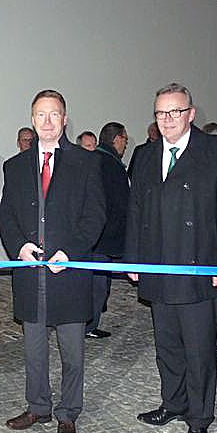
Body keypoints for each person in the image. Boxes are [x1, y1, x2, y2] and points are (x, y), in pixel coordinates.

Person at [124, 83, 217, 433]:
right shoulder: (145, 154)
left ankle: (199, 420)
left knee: (199, 351)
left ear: (191, 113)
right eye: (161, 113)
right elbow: (135, 210)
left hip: (199, 266)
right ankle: (172, 403)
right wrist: (133, 259)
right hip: (158, 264)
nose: (167, 119)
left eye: (175, 111)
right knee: (167, 345)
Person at [0, 89, 105, 433]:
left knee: (72, 352)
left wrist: (70, 251)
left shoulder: (86, 162)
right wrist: (19, 246)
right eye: (41, 115)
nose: (47, 121)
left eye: (54, 114)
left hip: (69, 272)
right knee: (33, 350)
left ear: (64, 119)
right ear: (32, 119)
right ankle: (38, 406)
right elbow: (6, 215)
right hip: (31, 273)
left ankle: (68, 413)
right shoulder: (15, 166)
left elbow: (95, 216)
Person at [86, 122, 129, 339]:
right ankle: (89, 325)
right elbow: (120, 203)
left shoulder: (94, 159)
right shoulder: (111, 164)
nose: (126, 145)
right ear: (116, 139)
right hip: (104, 237)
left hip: (94, 235)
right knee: (97, 284)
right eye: (125, 140)